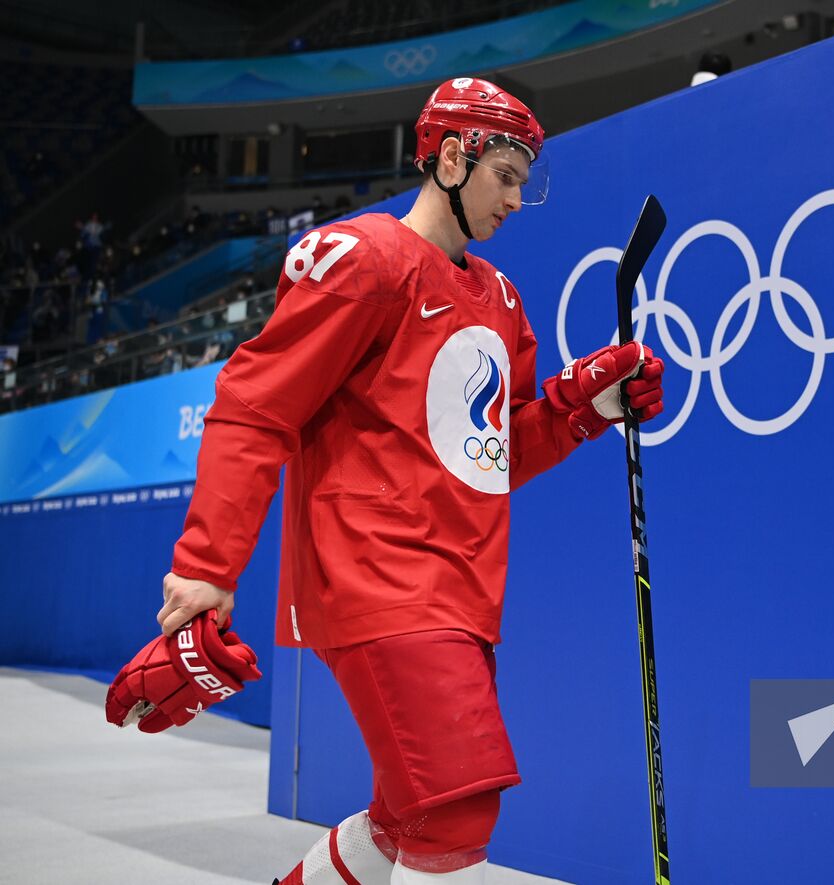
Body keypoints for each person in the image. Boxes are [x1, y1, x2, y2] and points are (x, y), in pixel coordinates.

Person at [144, 77, 665, 884]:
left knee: (412, 810)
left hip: (460, 587)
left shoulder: (500, 300)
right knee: (458, 806)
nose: (518, 200)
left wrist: (582, 403)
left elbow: (495, 454)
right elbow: (254, 408)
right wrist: (209, 566)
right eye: (507, 176)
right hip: (376, 572)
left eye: (527, 182)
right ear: (452, 158)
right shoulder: (367, 260)